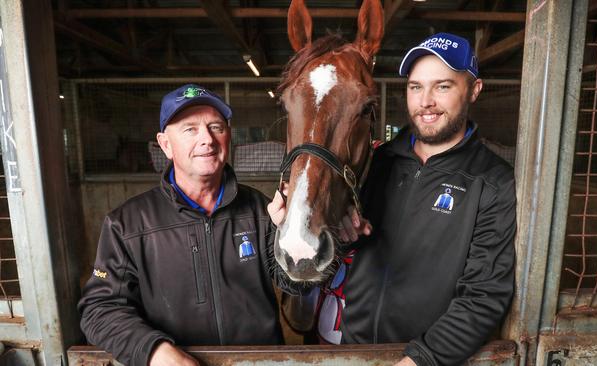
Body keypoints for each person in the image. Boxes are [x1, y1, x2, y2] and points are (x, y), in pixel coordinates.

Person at [268, 32, 516, 366]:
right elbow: (312, 270)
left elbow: (485, 296)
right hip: (355, 352)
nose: (426, 100)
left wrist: (420, 360)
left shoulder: (493, 181)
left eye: (443, 86)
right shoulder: (376, 163)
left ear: (474, 89)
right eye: (416, 87)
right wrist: (295, 226)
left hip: (426, 359)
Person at [79, 84, 292, 366]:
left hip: (258, 362)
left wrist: (294, 236)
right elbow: (99, 309)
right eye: (190, 129)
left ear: (228, 137)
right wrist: (155, 351)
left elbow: (296, 286)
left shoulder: (260, 210)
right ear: (165, 144)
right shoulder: (127, 224)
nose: (207, 139)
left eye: (216, 127)